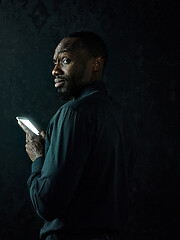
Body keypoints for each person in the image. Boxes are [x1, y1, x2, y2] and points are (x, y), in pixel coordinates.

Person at [18, 31, 137, 240]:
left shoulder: (72, 112)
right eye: (55, 62)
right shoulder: (118, 114)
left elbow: (47, 204)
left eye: (65, 60)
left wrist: (38, 157)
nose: (55, 70)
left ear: (96, 64)